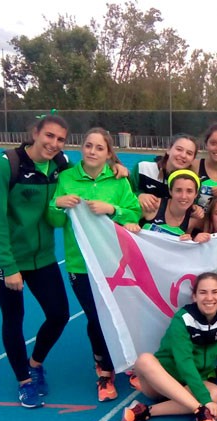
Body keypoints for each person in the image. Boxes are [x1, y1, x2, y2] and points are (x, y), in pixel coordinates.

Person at [0, 115, 71, 408]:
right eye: (49, 136)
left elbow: (88, 174)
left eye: (60, 139)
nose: (53, 144)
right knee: (14, 318)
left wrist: (118, 167)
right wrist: (9, 267)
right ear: (35, 133)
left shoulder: (61, 165)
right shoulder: (6, 164)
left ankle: (36, 362)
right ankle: (24, 381)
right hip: (4, 258)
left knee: (59, 314)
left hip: (42, 257)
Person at [49, 127, 142, 402]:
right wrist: (57, 204)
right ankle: (104, 371)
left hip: (114, 264)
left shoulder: (117, 181)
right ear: (82, 148)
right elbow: (54, 220)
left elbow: (134, 213)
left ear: (109, 153)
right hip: (81, 264)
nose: (92, 151)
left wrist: (112, 209)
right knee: (97, 318)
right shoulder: (66, 178)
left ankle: (130, 362)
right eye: (88, 145)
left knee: (123, 315)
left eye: (99, 148)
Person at [120, 272, 217, 421]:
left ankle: (145, 410)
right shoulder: (183, 319)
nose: (209, 297)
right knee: (144, 360)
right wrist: (204, 402)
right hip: (161, 384)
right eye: (203, 292)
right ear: (194, 297)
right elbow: (185, 362)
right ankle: (199, 411)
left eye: (215, 292)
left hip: (190, 385)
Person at [128, 134, 199, 214]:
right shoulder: (143, 167)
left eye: (189, 153)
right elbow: (125, 194)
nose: (183, 155)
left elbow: (193, 206)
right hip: (136, 222)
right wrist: (139, 196)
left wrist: (196, 210)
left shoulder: (193, 181)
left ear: (193, 159)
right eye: (179, 149)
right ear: (168, 150)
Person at [135, 169, 210, 242]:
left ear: (196, 194)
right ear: (170, 191)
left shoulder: (194, 218)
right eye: (178, 190)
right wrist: (129, 223)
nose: (183, 196)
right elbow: (125, 213)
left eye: (189, 191)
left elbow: (215, 230)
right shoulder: (153, 205)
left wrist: (194, 240)